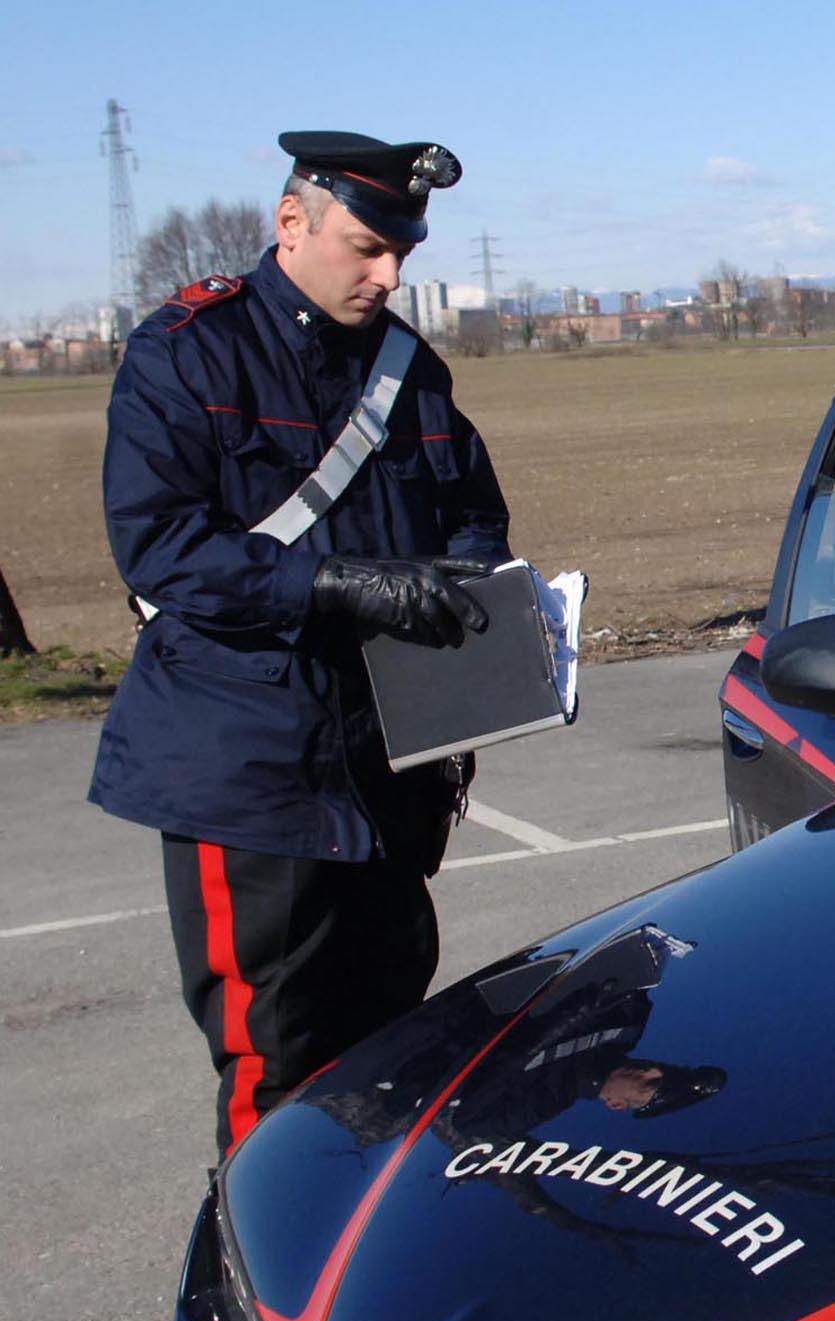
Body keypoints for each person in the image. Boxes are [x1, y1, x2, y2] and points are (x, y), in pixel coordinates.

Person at [89, 130, 509, 1157]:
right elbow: (161, 549)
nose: (389, 275)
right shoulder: (189, 352)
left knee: (390, 1054)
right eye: (367, 247)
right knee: (276, 1069)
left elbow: (473, 518)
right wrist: (332, 582)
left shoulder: (410, 370)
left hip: (383, 769)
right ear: (292, 223)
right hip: (252, 770)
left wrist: (474, 602)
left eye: (403, 253)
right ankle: (263, 1294)